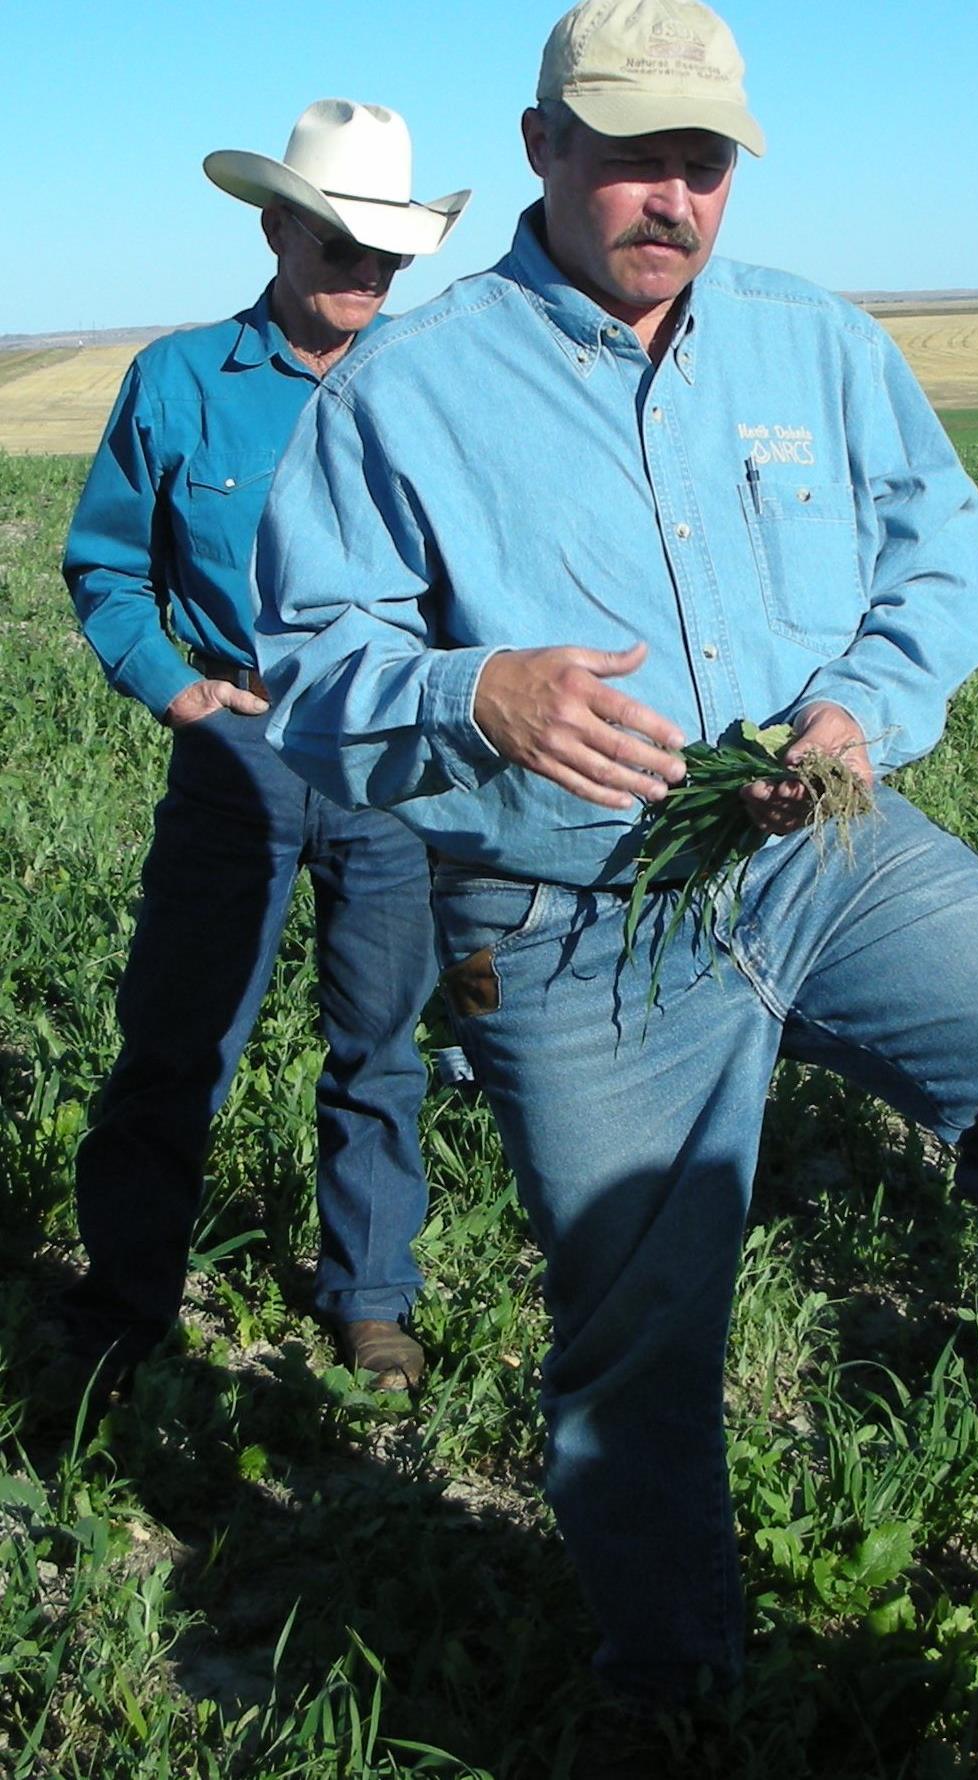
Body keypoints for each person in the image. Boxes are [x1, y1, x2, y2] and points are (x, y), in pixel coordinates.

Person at [252, 0, 978, 1702]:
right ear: (543, 151)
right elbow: (309, 666)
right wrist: (478, 691)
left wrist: (862, 714)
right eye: (634, 160)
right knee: (642, 1328)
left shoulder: (815, 344)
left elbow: (936, 561)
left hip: (829, 850)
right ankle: (677, 1687)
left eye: (707, 164)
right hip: (568, 912)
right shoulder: (410, 391)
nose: (675, 199)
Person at [61, 101, 470, 1393]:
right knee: (178, 1041)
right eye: (341, 243)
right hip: (236, 757)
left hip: (392, 761)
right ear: (276, 226)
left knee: (382, 1046)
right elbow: (110, 565)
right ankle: (128, 1306)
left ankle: (372, 1302)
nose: (365, 274)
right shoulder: (179, 380)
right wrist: (180, 692)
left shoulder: (438, 383)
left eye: (388, 255)